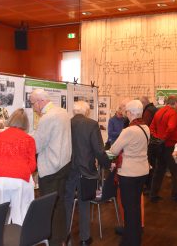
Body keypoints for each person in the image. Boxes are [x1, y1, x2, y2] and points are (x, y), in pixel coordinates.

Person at [64, 101, 110, 246]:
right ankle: (84, 238)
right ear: (86, 111)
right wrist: (107, 164)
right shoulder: (91, 124)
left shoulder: (66, 123)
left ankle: (64, 236)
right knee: (84, 203)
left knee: (67, 202)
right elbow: (98, 149)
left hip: (68, 168)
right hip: (86, 170)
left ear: (74, 111)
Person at [30, 89, 72, 246]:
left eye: (33, 103)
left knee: (51, 207)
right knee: (59, 204)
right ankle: (61, 238)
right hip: (63, 165)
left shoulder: (47, 118)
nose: (33, 107)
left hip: (51, 169)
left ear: (41, 101)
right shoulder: (62, 112)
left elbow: (36, 146)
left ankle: (53, 240)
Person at [0, 108, 36, 225]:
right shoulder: (29, 139)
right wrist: (21, 170)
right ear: (25, 124)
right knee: (21, 212)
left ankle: (0, 240)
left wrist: (1, 169)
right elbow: (32, 166)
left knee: (0, 215)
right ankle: (20, 239)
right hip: (20, 180)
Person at [110, 100, 149, 246]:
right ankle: (134, 237)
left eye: (127, 111)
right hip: (143, 171)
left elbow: (114, 149)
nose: (126, 113)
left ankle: (130, 241)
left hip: (129, 173)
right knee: (136, 206)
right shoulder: (146, 127)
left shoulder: (129, 130)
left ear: (131, 113)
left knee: (129, 207)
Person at [149, 95, 177, 202]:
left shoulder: (158, 111)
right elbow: (171, 127)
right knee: (175, 171)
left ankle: (153, 194)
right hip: (171, 146)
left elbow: (151, 127)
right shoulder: (172, 113)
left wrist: (158, 138)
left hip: (160, 146)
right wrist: (163, 138)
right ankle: (176, 195)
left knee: (159, 170)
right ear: (175, 103)